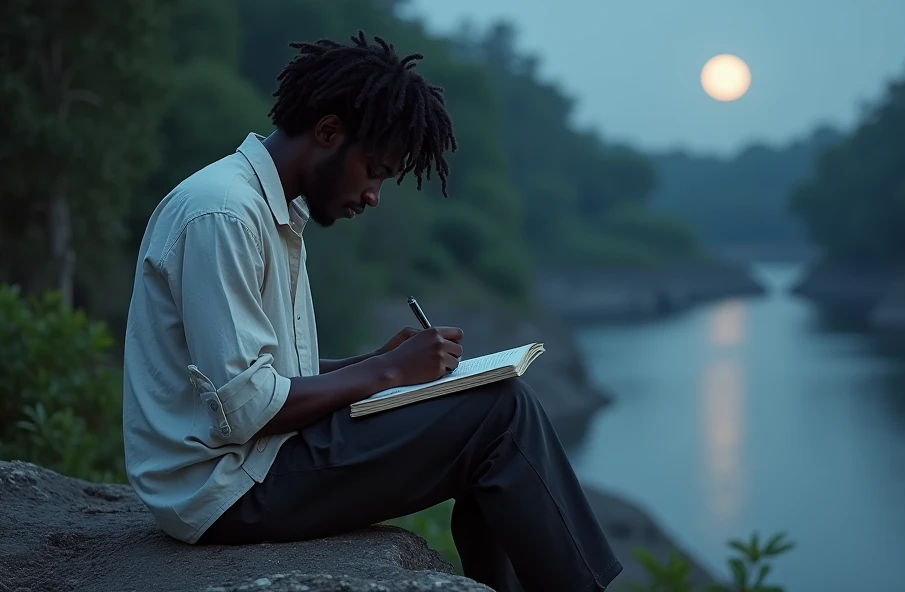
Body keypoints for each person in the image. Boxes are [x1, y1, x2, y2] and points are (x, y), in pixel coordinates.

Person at [121, 31, 622, 592]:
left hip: (253, 463)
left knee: (488, 411)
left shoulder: (268, 210)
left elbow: (264, 379)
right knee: (500, 414)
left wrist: (370, 361)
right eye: (376, 170)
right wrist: (390, 373)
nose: (375, 194)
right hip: (228, 489)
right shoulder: (225, 214)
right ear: (329, 132)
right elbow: (248, 408)